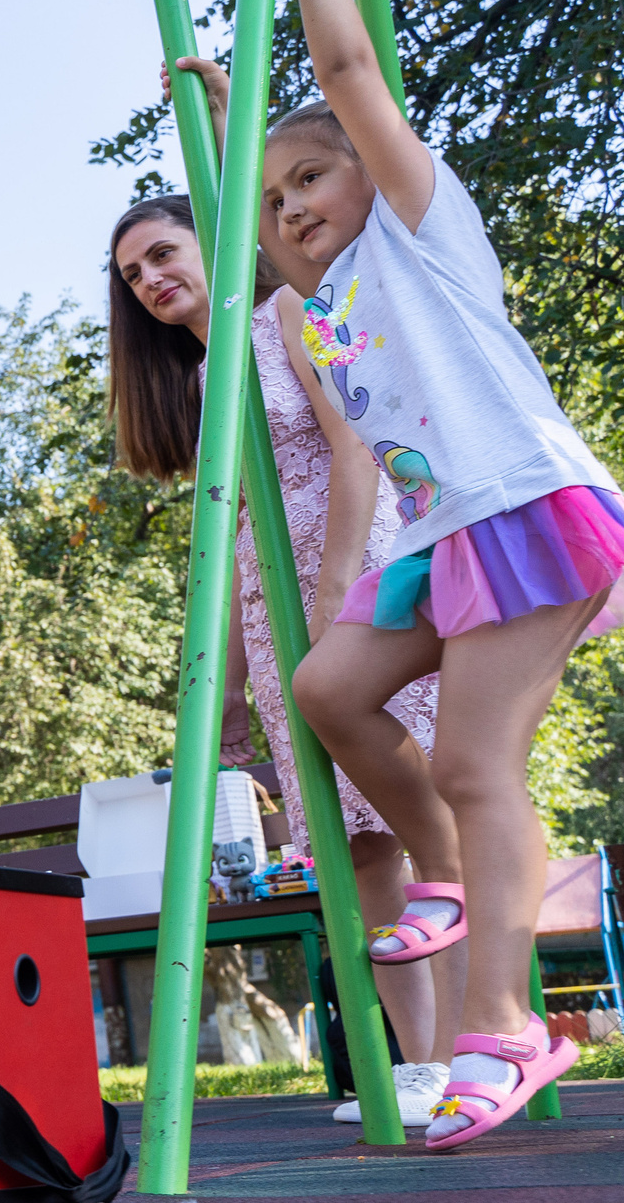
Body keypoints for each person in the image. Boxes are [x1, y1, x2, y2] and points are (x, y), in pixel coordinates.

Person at [238, 0, 624, 1149]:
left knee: (477, 764)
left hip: (523, 507)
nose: (293, 210)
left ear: (369, 173)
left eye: (309, 180)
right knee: (328, 691)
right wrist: (220, 119)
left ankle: (503, 1024)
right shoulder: (320, 309)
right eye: (274, 204)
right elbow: (245, 224)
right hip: (445, 541)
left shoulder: (420, 233)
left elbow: (347, 73)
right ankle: (439, 869)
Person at [107, 161, 454, 1129]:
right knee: (355, 841)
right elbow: (230, 532)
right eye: (132, 274)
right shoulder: (204, 379)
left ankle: (466, 1043)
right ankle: (417, 1063)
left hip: (355, 569)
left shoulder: (287, 316)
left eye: (162, 253)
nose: (150, 279)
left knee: (420, 805)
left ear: (211, 246)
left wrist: (340, 584)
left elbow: (354, 446)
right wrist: (222, 679)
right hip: (275, 611)